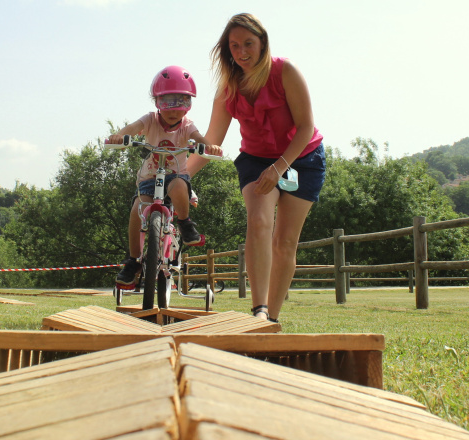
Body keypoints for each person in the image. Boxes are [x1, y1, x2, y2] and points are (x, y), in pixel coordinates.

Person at [187, 13, 326, 323]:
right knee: (259, 221)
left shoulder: (285, 71)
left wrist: (279, 168)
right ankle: (259, 311)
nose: (242, 52)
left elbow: (305, 127)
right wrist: (181, 176)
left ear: (263, 43)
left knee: (285, 241)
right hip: (256, 160)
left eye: (248, 43)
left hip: (302, 159)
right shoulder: (228, 89)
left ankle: (271, 321)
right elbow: (212, 142)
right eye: (234, 46)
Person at [111, 65, 221, 288]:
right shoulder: (150, 120)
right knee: (137, 211)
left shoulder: (187, 126)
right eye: (167, 102)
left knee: (180, 184)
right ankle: (133, 262)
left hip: (174, 177)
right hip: (148, 181)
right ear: (157, 103)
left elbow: (200, 139)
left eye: (181, 102)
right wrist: (120, 136)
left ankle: (185, 222)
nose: (174, 109)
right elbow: (133, 128)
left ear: (189, 105)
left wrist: (211, 147)